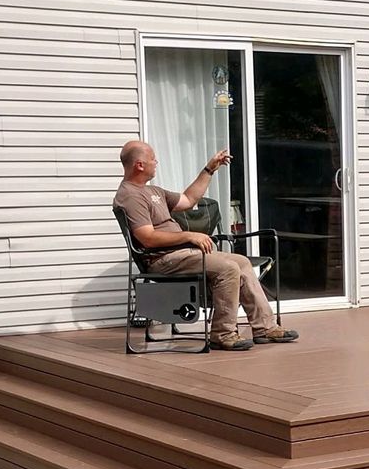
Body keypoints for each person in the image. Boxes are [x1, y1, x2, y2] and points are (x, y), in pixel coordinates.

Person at [112, 140, 297, 352]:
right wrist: (189, 236)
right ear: (139, 165)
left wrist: (209, 170)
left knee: (242, 262)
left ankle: (265, 327)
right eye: (152, 158)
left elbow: (188, 199)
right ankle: (223, 333)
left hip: (181, 254)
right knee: (228, 268)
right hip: (161, 259)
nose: (157, 162)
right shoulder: (130, 196)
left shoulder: (152, 190)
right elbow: (148, 238)